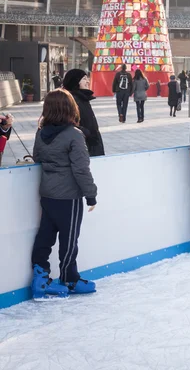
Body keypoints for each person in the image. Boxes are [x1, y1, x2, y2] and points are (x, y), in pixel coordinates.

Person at [30, 89, 98, 300]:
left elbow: (37, 156)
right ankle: (69, 278)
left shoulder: (41, 133)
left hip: (48, 195)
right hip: (69, 197)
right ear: (70, 109)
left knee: (45, 236)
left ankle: (40, 279)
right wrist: (91, 194)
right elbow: (81, 169)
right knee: (69, 240)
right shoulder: (74, 135)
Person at [62, 69, 105, 156]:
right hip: (84, 149)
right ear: (76, 81)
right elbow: (67, 124)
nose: (88, 81)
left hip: (92, 146)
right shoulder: (71, 101)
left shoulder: (83, 98)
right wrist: (87, 133)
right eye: (84, 79)